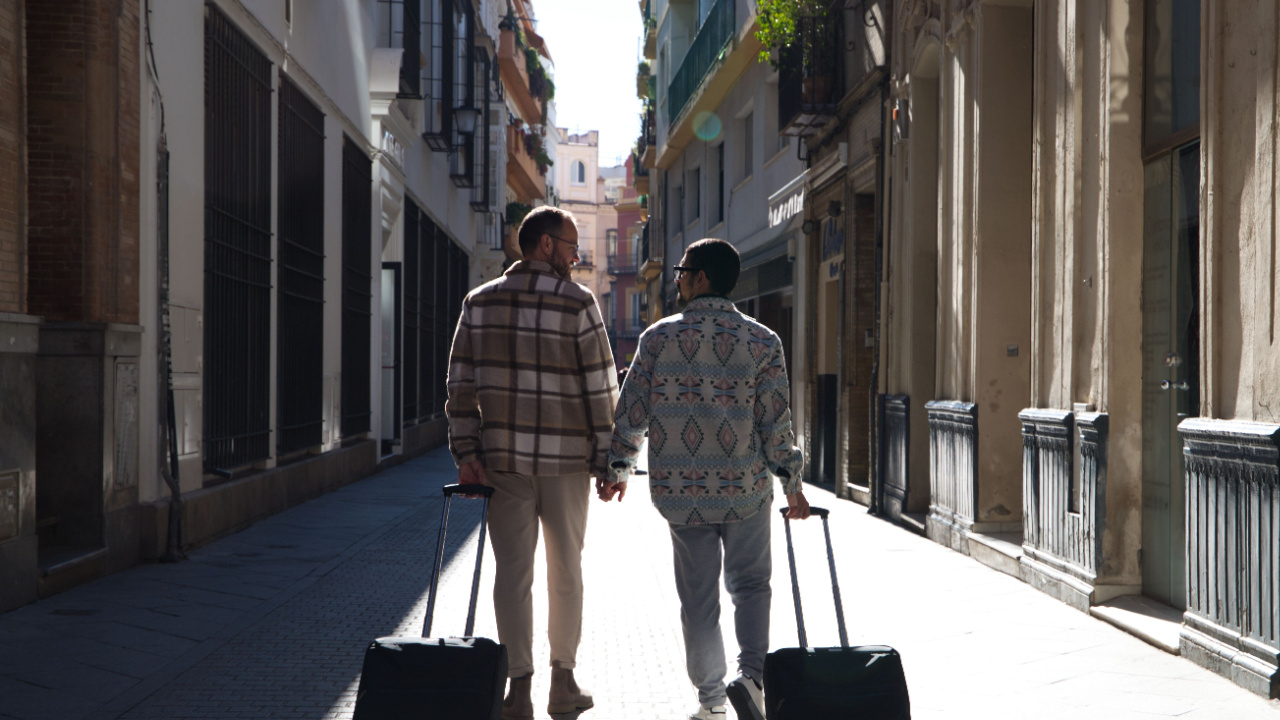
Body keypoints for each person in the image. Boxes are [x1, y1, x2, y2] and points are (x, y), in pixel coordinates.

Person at [599, 238, 808, 720]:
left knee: (698, 599)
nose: (676, 278)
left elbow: (631, 416)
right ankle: (752, 679)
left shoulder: (656, 338)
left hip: (682, 493)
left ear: (701, 278)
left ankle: (712, 700)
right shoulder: (762, 341)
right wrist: (792, 484)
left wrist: (617, 471)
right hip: (747, 489)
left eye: (682, 270)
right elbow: (776, 422)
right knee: (752, 586)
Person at [445, 206, 619, 720]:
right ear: (546, 246)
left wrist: (467, 454)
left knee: (512, 575)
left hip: (503, 464)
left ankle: (518, 692)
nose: (575, 256)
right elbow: (601, 389)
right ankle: (562, 683)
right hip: (566, 464)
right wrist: (612, 462)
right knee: (566, 571)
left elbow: (460, 386)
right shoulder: (578, 303)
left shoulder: (478, 302)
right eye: (570, 246)